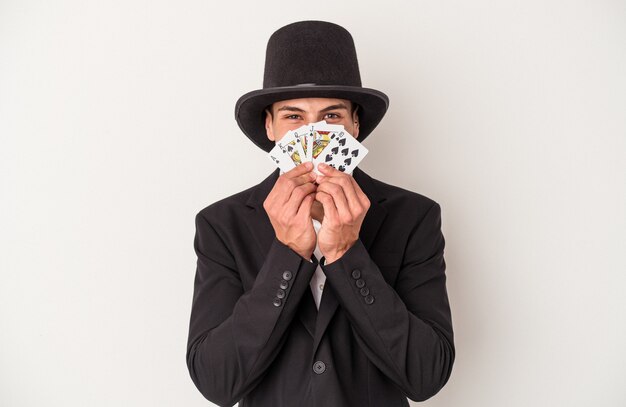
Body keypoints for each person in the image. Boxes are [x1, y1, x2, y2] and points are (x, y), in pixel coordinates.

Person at [186, 20, 454, 407]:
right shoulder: (222, 225)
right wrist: (288, 254)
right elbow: (217, 383)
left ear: (355, 125)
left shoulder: (414, 217)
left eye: (331, 117)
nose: (314, 135)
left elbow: (426, 377)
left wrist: (347, 255)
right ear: (270, 127)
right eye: (294, 117)